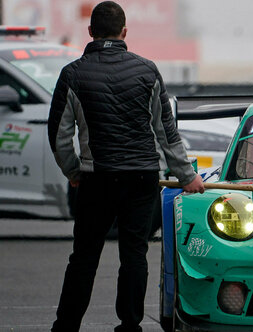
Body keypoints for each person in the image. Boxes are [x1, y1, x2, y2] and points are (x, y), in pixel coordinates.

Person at [47, 2, 205, 331]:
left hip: (97, 178)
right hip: (142, 178)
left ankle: (66, 326)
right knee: (134, 253)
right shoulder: (147, 71)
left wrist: (74, 172)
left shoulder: (73, 74)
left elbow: (59, 135)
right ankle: (130, 325)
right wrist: (187, 176)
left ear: (90, 32)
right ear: (124, 32)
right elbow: (167, 130)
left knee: (84, 256)